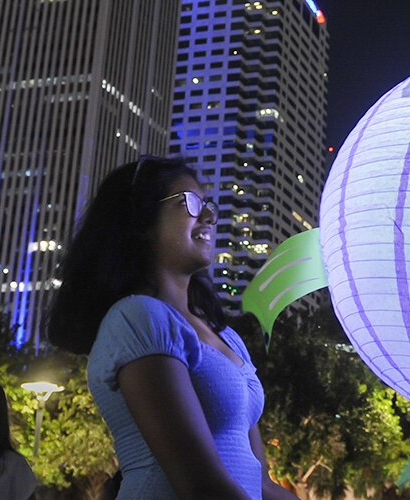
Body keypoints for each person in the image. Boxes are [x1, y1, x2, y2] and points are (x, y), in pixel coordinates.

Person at [47, 156, 296, 499]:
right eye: (190, 202)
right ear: (142, 221)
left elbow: (261, 482)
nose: (209, 215)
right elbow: (201, 486)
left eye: (207, 204)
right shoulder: (138, 319)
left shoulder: (229, 340)